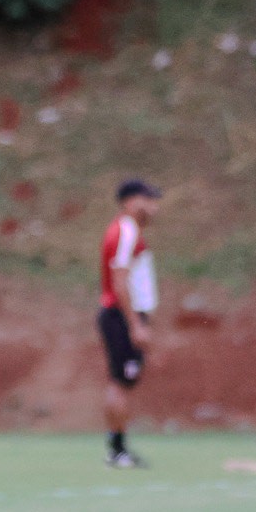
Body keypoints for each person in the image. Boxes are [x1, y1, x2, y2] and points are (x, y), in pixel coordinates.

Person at [98, 179, 161, 468]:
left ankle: (118, 448)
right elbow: (119, 280)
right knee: (120, 383)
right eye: (147, 199)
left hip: (121, 314)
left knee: (121, 382)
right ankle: (118, 450)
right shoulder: (126, 231)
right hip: (121, 315)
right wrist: (135, 323)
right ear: (130, 201)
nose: (154, 207)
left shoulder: (128, 230)